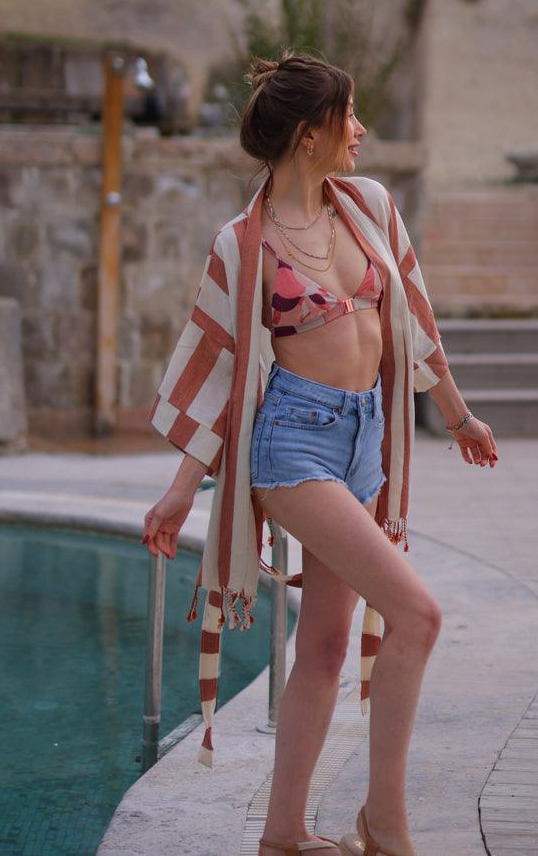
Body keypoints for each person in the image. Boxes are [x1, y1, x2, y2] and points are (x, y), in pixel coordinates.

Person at [142, 49, 497, 856]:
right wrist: (178, 490)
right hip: (293, 445)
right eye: (349, 118)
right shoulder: (243, 242)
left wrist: (459, 414)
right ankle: (386, 823)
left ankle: (281, 834)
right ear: (311, 135)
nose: (362, 131)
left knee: (329, 645)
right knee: (418, 613)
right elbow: (220, 368)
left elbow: (413, 317)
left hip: (364, 434)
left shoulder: (368, 204)